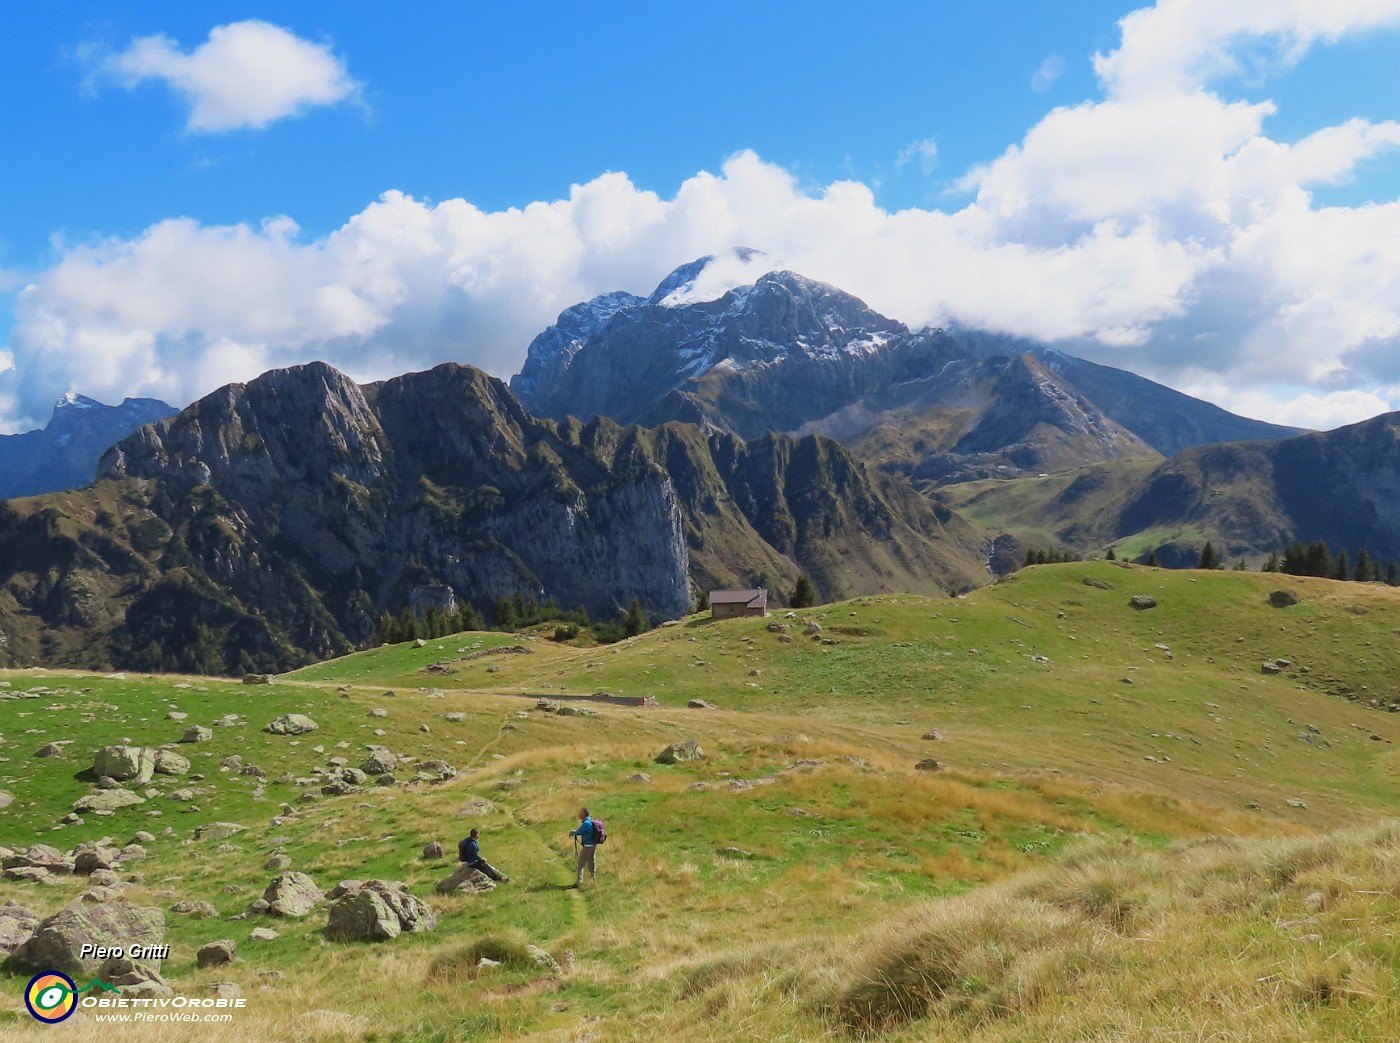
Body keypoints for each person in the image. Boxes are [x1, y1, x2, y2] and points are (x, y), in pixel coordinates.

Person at [569, 807, 597, 886]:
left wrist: (573, 833)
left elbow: (579, 831)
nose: (579, 814)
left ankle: (579, 881)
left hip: (588, 846)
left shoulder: (586, 823)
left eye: (580, 813)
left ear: (584, 814)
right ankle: (593, 877)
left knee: (581, 862)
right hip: (593, 845)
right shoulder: (590, 822)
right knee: (591, 861)